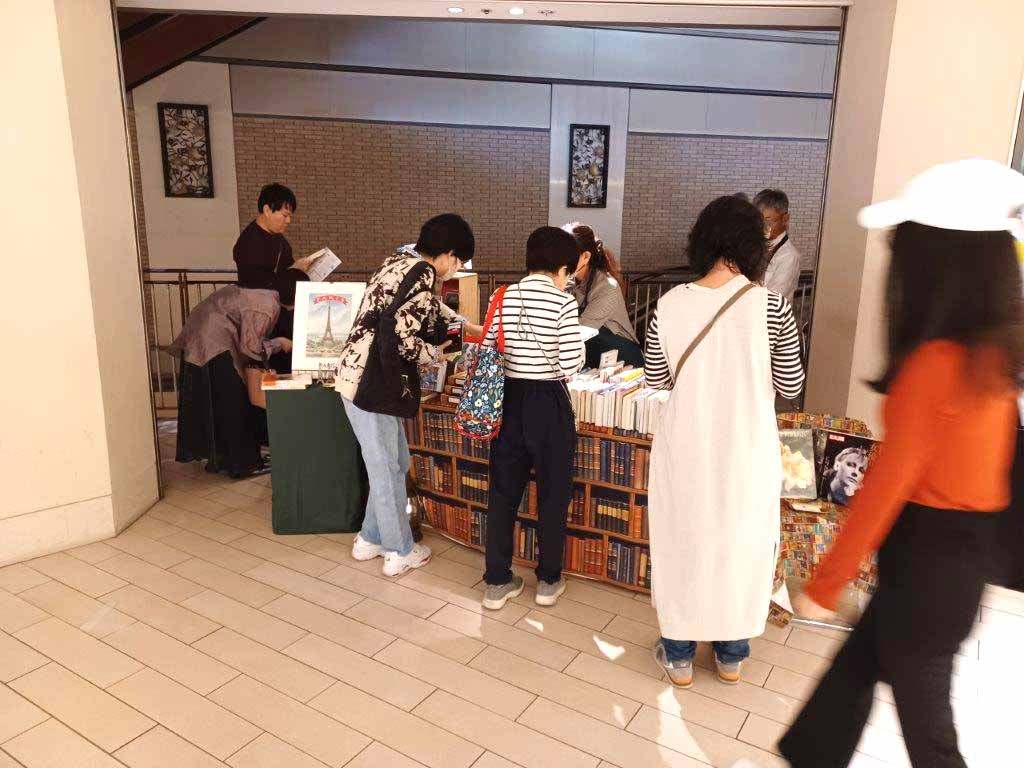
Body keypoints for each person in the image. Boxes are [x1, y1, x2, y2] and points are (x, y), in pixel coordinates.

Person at [779, 159, 1024, 768]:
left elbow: (887, 487)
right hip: (960, 567)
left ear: (933, 264)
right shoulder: (995, 359)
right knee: (850, 681)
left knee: (930, 737)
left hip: (924, 569)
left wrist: (826, 584)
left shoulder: (934, 366)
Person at [644, 196, 805, 687]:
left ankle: (679, 656)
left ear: (701, 241)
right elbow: (791, 384)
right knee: (741, 542)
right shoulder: (772, 306)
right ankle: (731, 656)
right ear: (754, 246)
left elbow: (656, 378)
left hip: (685, 445)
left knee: (682, 540)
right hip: (747, 447)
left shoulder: (668, 304)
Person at [335, 214, 474, 577]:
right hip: (372, 382)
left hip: (357, 376)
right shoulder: (423, 274)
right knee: (385, 468)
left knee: (395, 462)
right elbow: (404, 342)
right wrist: (439, 353)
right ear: (448, 254)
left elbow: (425, 308)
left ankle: (369, 538)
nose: (457, 269)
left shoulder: (399, 261)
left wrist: (465, 326)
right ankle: (399, 550)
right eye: (459, 261)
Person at [481, 226, 585, 610]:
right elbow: (571, 363)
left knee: (503, 493)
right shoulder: (564, 302)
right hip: (548, 403)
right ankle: (548, 581)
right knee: (553, 494)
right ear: (562, 268)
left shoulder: (502, 295)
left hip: (507, 400)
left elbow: (489, 346)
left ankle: (497, 582)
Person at [170, 269, 306, 478]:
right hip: (216, 345)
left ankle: (223, 459)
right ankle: (242, 464)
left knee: (217, 404)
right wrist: (280, 343)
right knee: (232, 404)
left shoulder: (260, 293)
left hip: (200, 340)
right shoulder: (268, 305)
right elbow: (251, 347)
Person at [564, 222, 644, 369]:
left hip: (624, 361)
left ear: (586, 256)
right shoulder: (570, 282)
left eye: (568, 256)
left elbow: (580, 329)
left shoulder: (607, 287)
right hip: (596, 358)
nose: (562, 261)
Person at [234, 183, 299, 290]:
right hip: (258, 299)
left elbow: (287, 266)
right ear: (267, 210)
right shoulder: (249, 243)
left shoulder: (278, 237)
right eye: (285, 215)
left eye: (290, 216)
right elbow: (259, 284)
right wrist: (295, 270)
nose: (288, 221)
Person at [754, 189, 802, 304]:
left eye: (768, 221)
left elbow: (772, 300)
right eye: (758, 221)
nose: (762, 227)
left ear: (785, 219)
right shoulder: (756, 247)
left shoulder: (789, 256)